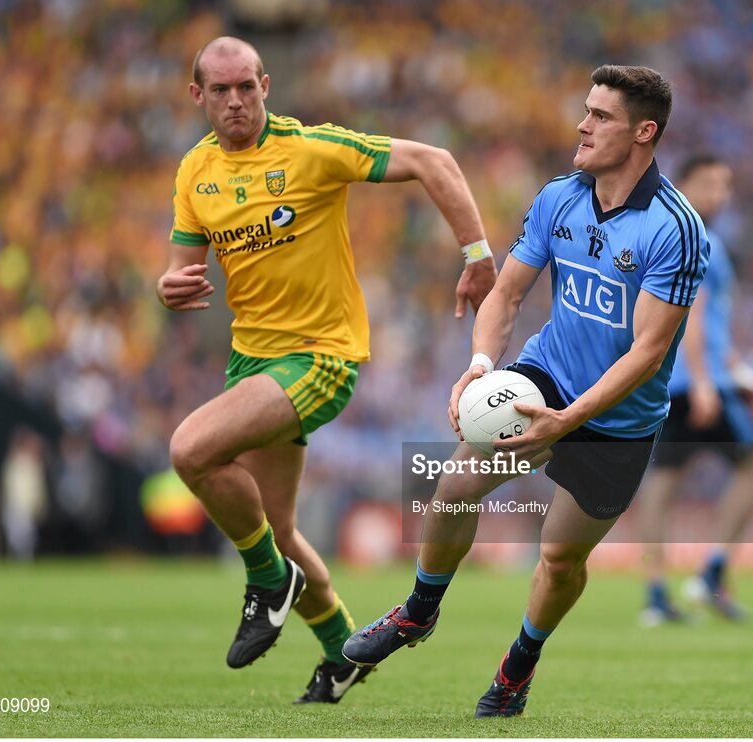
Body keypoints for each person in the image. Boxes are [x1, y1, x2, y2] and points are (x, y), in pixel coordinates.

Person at [343, 65, 709, 717]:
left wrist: (566, 422)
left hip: (616, 418)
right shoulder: (559, 198)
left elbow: (648, 354)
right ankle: (417, 613)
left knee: (561, 559)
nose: (582, 124)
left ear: (644, 131)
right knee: (454, 485)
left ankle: (517, 669)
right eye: (585, 110)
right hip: (543, 378)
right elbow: (507, 293)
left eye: (601, 116)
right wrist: (482, 364)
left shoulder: (674, 227)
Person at [158, 37, 496, 704]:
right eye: (220, 90)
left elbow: (434, 160)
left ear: (266, 86)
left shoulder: (311, 150)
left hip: (321, 356)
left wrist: (478, 252)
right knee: (277, 529)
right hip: (251, 363)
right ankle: (344, 652)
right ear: (197, 96)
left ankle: (266, 582)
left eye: (246, 88)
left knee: (189, 450)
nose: (235, 101)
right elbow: (181, 266)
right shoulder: (194, 172)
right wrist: (169, 285)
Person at [637, 155, 753, 625]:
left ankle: (656, 596)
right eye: (710, 184)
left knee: (663, 484)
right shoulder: (698, 238)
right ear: (686, 185)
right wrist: (708, 381)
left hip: (672, 378)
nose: (721, 195)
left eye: (725, 185)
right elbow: (691, 313)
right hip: (696, 380)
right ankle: (712, 572)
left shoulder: (674, 234)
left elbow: (709, 321)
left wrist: (739, 369)